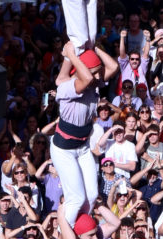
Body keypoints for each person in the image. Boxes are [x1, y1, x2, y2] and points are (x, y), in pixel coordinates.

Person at [51, 44, 118, 226]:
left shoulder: (92, 84)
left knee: (92, 195)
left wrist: (94, 47)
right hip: (64, 150)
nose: (98, 77)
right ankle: (64, 232)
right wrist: (72, 55)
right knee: (77, 198)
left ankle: (81, 226)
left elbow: (113, 67)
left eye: (98, 72)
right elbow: (86, 77)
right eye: (94, 72)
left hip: (82, 148)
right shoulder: (67, 87)